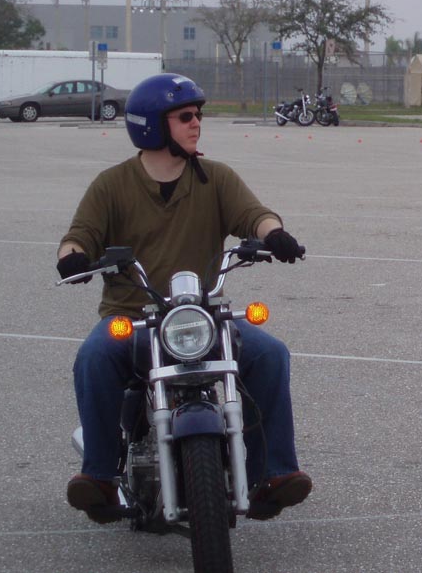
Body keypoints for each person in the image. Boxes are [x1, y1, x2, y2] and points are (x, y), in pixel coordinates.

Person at [56, 73, 312, 524]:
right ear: (153, 125)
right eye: (185, 116)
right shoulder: (111, 185)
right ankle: (100, 476)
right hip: (133, 318)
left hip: (204, 315)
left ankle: (272, 474)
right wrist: (72, 258)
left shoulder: (215, 178)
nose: (197, 124)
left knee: (270, 353)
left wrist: (275, 234)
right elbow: (79, 236)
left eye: (198, 115)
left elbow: (255, 214)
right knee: (94, 357)